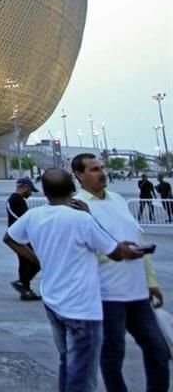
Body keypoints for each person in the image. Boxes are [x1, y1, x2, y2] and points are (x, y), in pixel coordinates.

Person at [4, 168, 145, 392]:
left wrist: (38, 259)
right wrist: (90, 216)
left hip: (53, 301)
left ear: (45, 193)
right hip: (81, 307)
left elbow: (9, 238)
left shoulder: (34, 215)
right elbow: (115, 252)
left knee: (67, 362)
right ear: (72, 189)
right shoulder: (81, 220)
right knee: (83, 372)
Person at [72, 154, 169, 392]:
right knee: (113, 354)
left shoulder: (118, 200)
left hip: (137, 294)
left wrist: (151, 281)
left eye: (102, 168)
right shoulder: (76, 207)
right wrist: (118, 252)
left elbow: (138, 238)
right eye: (94, 169)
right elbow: (78, 252)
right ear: (79, 175)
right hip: (106, 295)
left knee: (158, 349)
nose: (102, 173)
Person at [7, 178, 41, 301]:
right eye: (30, 190)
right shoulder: (16, 200)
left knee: (25, 263)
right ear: (25, 187)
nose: (30, 193)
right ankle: (22, 283)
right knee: (36, 261)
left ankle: (25, 290)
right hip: (21, 237)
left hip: (20, 236)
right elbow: (21, 218)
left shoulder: (16, 199)